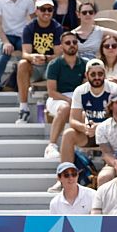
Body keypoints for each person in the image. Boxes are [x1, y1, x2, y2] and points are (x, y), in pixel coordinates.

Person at [57, 59, 117, 172]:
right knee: (68, 134)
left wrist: (98, 127)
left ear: (105, 74)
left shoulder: (115, 90)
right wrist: (85, 128)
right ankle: (65, 175)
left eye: (100, 74)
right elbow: (73, 120)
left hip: (112, 134)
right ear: (86, 75)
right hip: (90, 134)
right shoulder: (80, 91)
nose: (97, 77)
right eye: (93, 74)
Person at [16, 0, 62, 123]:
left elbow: (58, 54)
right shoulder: (29, 28)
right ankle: (23, 107)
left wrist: (46, 58)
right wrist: (33, 57)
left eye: (49, 9)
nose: (46, 12)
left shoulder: (57, 28)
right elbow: (25, 53)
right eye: (43, 9)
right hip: (34, 67)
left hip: (50, 66)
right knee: (22, 64)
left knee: (60, 64)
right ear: (36, 11)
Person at [44, 31, 88, 159]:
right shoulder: (54, 64)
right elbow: (51, 92)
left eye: (74, 42)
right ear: (61, 46)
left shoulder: (85, 64)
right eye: (68, 43)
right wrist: (68, 99)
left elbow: (86, 87)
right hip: (58, 97)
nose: (72, 45)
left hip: (78, 97)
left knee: (84, 112)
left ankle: (81, 146)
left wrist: (75, 100)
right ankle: (51, 145)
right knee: (65, 108)